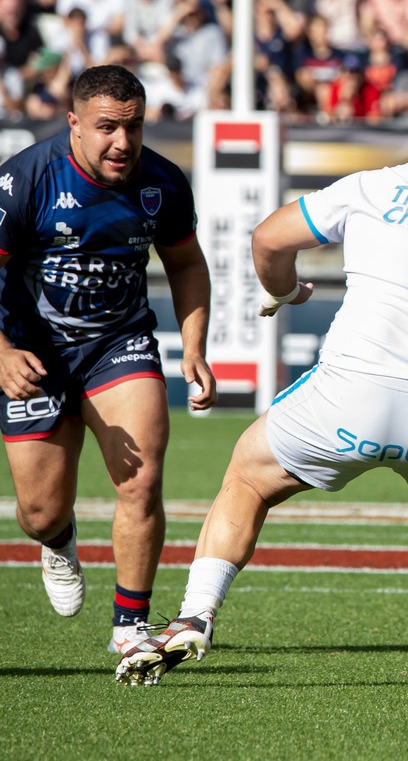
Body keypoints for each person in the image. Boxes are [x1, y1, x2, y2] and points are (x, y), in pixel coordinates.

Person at [115, 90, 408, 688]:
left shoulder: (377, 185)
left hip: (353, 392)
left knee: (249, 479)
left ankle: (194, 616)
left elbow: (268, 238)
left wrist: (285, 292)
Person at [0, 64, 217, 654]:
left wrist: (194, 347)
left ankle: (131, 628)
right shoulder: (25, 180)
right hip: (32, 355)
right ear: (73, 123)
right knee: (40, 513)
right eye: (107, 128)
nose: (123, 142)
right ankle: (57, 540)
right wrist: (4, 354)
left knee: (142, 481)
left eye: (134, 127)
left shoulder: (162, 181)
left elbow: (186, 263)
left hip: (119, 343)